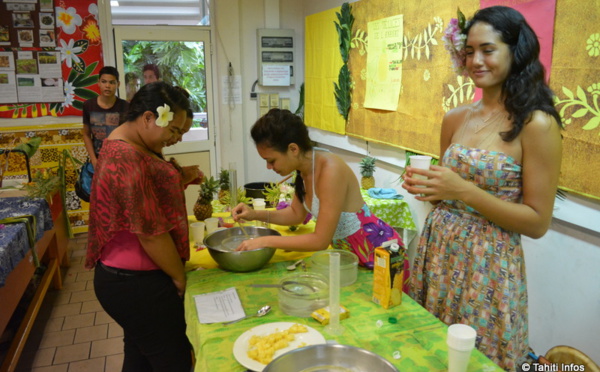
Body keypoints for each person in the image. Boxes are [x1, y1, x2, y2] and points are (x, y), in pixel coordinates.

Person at [402, 6, 562, 370]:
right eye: (469, 51)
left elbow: (538, 222)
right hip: (438, 252)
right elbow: (446, 189)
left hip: (488, 266)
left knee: (479, 359)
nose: (475, 60)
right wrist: (431, 188)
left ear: (515, 52)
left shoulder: (536, 124)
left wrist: (462, 190)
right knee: (431, 353)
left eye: (488, 50)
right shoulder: (456, 117)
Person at [85, 82, 192, 372]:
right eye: (173, 130)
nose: (176, 139)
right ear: (147, 118)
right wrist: (179, 277)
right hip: (136, 283)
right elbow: (151, 234)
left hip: (125, 280)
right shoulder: (127, 157)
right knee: (174, 359)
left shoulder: (126, 144)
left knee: (140, 357)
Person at [232, 109, 408, 281]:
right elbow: (295, 214)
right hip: (351, 254)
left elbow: (320, 241)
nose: (269, 167)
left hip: (379, 252)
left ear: (293, 149)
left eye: (271, 160)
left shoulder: (330, 171)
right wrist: (254, 214)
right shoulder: (303, 170)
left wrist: (265, 241)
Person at [82, 66, 129, 168]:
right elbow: (86, 134)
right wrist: (93, 160)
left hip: (120, 161)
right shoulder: (88, 105)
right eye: (104, 82)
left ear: (118, 84)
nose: (107, 86)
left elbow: (130, 136)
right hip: (98, 161)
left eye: (112, 82)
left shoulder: (126, 107)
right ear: (98, 83)